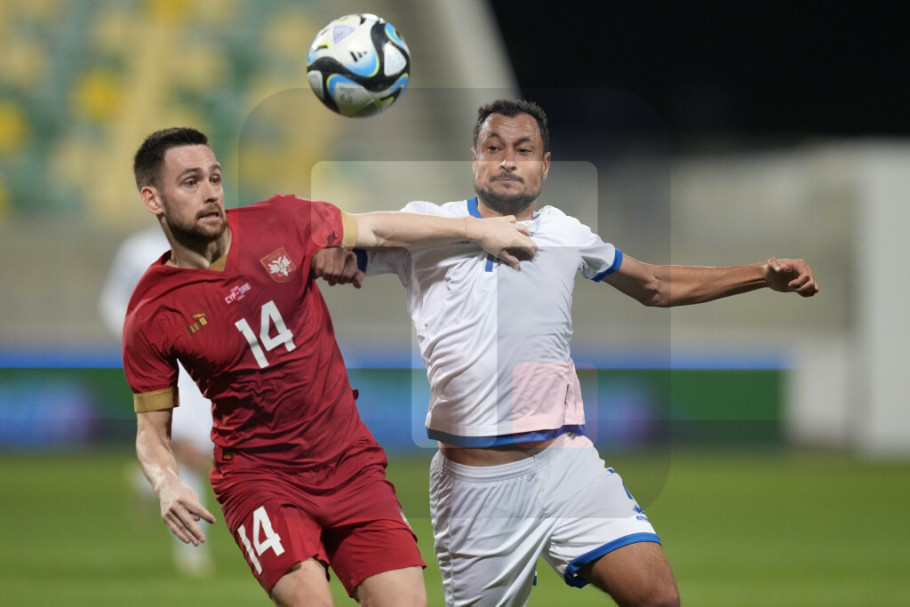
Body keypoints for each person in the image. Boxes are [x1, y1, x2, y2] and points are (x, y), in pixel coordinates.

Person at [351, 99, 819, 607]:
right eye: (494, 147)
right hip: (476, 485)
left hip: (564, 464)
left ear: (545, 164)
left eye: (524, 150)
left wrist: (760, 275)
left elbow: (654, 284)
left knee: (658, 598)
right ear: (474, 158)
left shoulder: (564, 232)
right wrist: (332, 248)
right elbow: (350, 234)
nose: (508, 160)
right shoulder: (427, 225)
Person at [121, 127, 537, 607]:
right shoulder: (151, 313)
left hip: (349, 463)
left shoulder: (280, 221)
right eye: (190, 182)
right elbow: (151, 432)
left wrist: (477, 229)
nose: (211, 192)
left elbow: (378, 229)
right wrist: (167, 481)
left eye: (214, 178)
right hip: (260, 480)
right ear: (153, 198)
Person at [100, 227, 217, 577]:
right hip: (164, 364)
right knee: (191, 454)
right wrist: (138, 339)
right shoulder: (138, 250)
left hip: (202, 358)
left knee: (201, 453)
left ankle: (149, 479)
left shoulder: (208, 243)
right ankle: (193, 551)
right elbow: (111, 300)